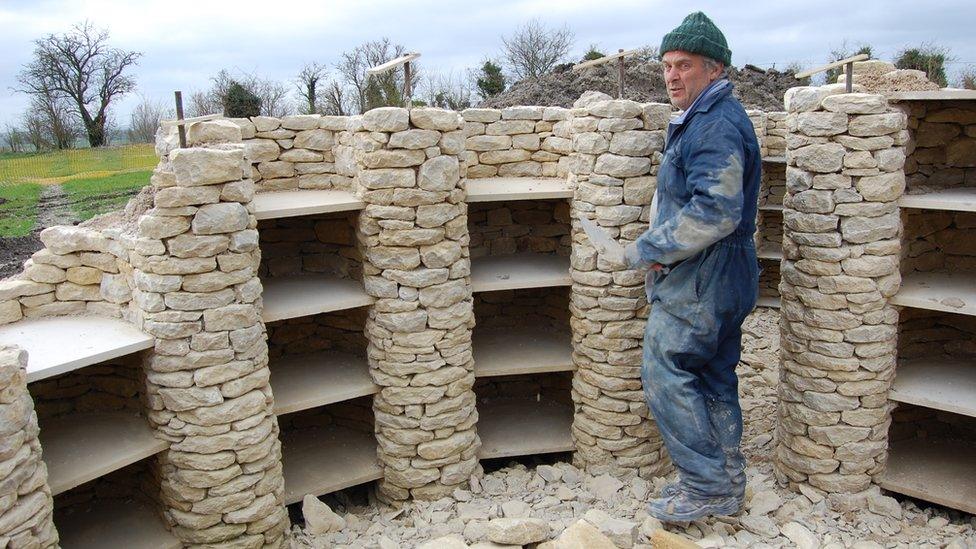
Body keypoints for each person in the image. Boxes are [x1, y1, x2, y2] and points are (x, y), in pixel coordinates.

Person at [612, 11, 761, 521]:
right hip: (729, 269)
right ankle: (726, 479)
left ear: (714, 69)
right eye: (667, 66)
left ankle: (705, 486)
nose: (673, 76)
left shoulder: (714, 123)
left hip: (706, 272)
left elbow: (716, 209)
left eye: (685, 65)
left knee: (665, 369)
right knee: (714, 374)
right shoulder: (712, 117)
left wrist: (648, 248)